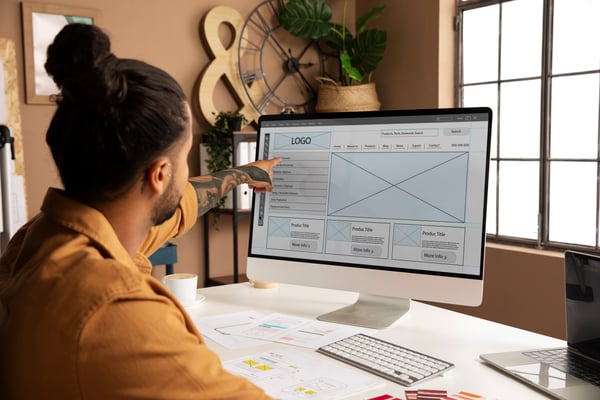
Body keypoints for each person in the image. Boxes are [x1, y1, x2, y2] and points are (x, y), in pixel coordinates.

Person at [0, 23, 280, 399]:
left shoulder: (41, 238)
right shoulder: (116, 308)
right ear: (160, 174)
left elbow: (179, 207)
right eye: (183, 159)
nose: (185, 173)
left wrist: (242, 174)